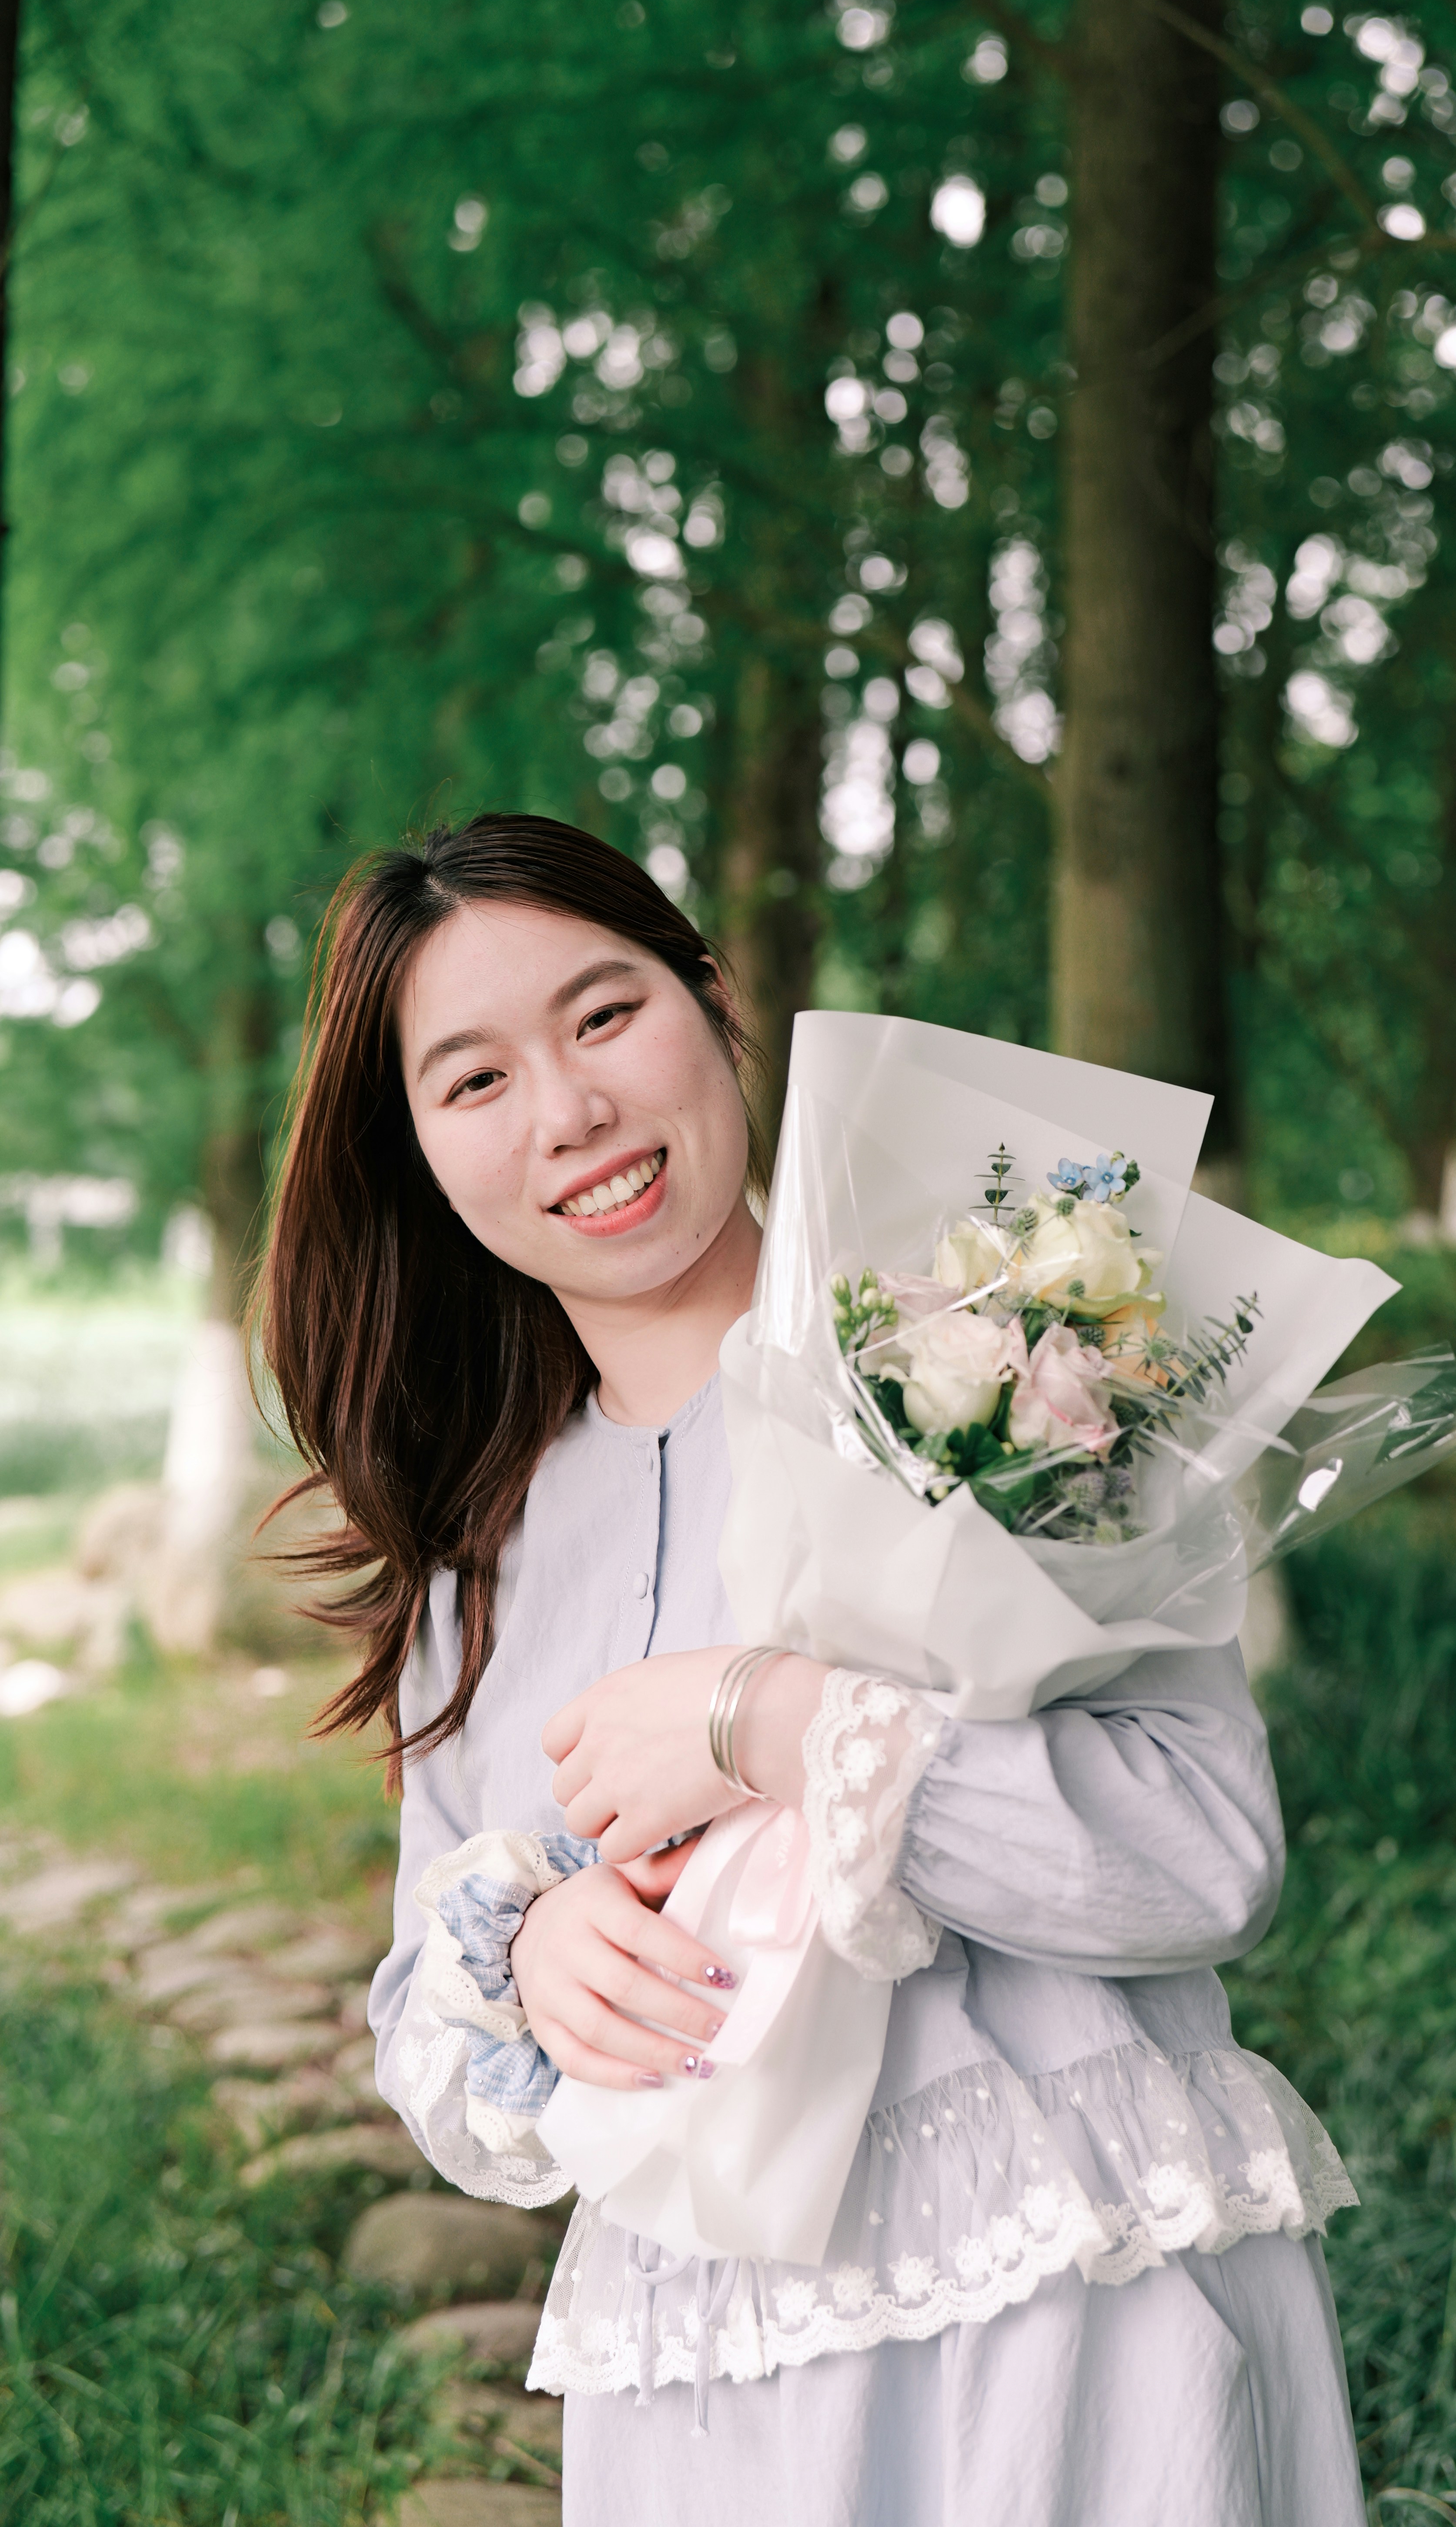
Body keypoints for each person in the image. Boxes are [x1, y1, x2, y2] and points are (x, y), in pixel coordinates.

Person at [259, 811, 1367, 2527]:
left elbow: (1199, 1853)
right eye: (473, 1082)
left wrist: (775, 1725)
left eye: (605, 1015)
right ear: (416, 1155)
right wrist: (534, 1955)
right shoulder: (467, 1560)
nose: (571, 1114)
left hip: (1072, 2329)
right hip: (708, 2398)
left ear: (716, 1008)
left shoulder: (1000, 1360)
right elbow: (426, 2018)